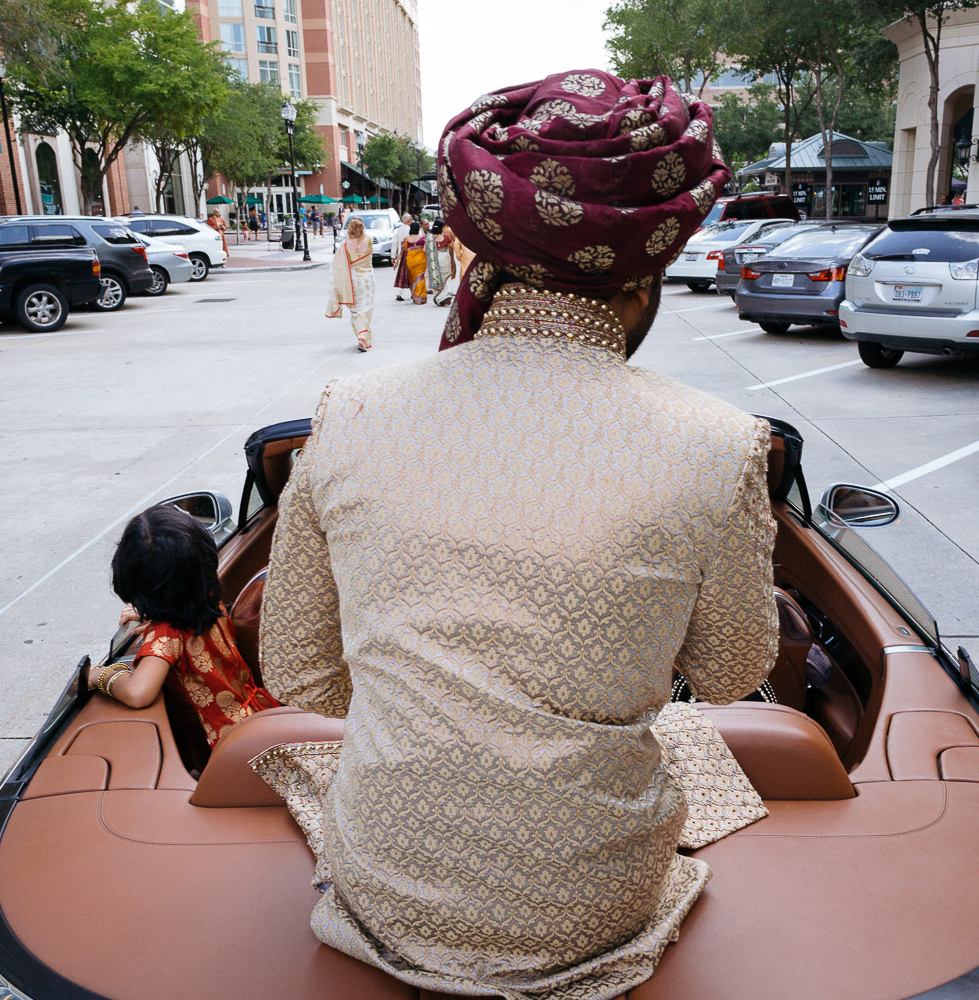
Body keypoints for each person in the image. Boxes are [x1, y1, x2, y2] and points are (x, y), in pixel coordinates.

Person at [259, 69, 773, 998]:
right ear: (643, 271)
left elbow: (298, 671)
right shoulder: (719, 442)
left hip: (384, 882)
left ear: (481, 251)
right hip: (593, 907)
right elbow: (734, 674)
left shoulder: (349, 409)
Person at [88, 505, 278, 748]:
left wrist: (99, 675)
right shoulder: (208, 597)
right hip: (255, 715)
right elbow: (183, 615)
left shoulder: (166, 635)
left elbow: (139, 693)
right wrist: (156, 614)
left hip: (224, 744)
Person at [326, 216, 375, 352]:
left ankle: (362, 335)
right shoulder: (369, 240)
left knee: (356, 310)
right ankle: (363, 336)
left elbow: (338, 266)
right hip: (367, 279)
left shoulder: (345, 245)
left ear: (350, 229)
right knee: (366, 307)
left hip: (353, 280)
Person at [391, 220, 427, 304]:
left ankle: (414, 297)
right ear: (418, 229)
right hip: (420, 261)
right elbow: (425, 250)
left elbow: (402, 252)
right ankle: (420, 297)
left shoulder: (407, 239)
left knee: (412, 279)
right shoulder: (423, 238)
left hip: (410, 261)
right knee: (420, 278)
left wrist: (396, 261)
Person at [423, 218, 455, 306]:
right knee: (446, 276)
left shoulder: (429, 237)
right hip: (444, 257)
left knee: (436, 277)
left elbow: (425, 250)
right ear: (442, 228)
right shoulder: (446, 236)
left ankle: (438, 298)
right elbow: (453, 245)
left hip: (435, 259)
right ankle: (446, 294)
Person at [389, 212, 413, 300]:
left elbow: (394, 243)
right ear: (409, 220)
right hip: (408, 254)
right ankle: (410, 293)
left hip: (400, 255)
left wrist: (393, 256)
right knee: (410, 274)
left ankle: (402, 293)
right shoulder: (410, 230)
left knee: (403, 274)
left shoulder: (398, 230)